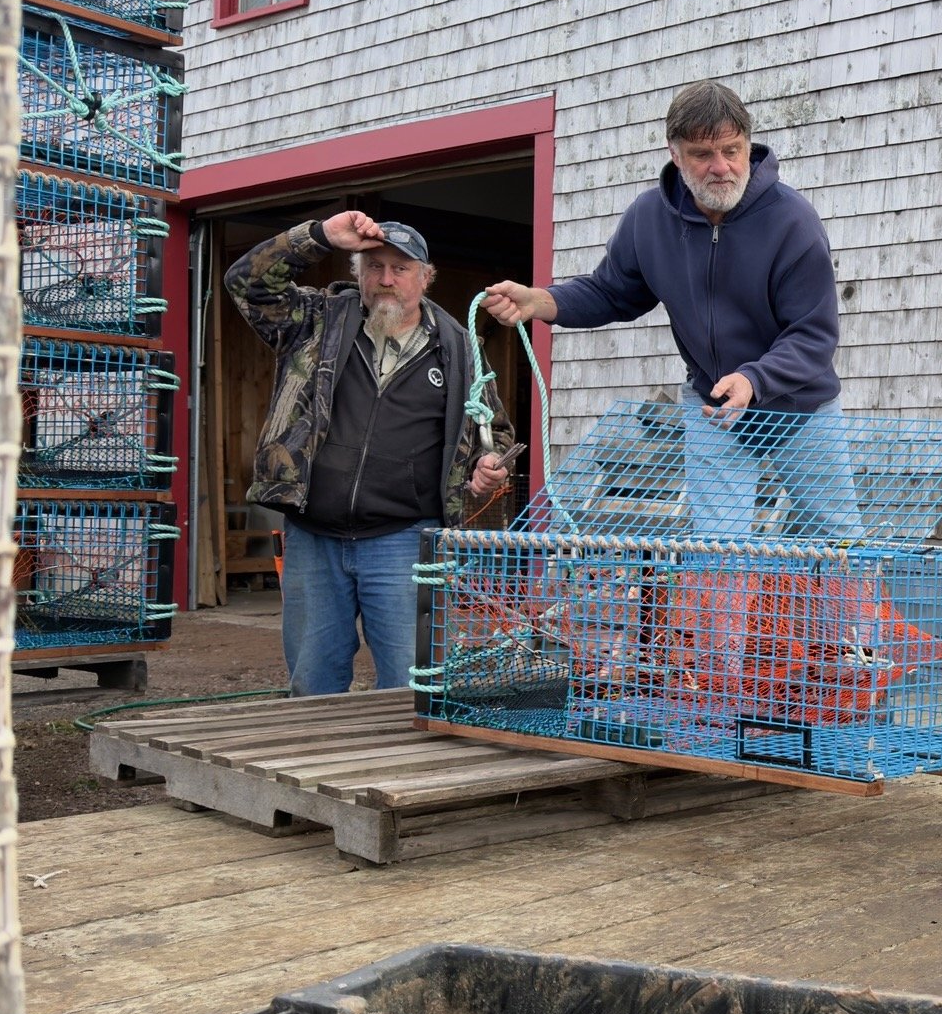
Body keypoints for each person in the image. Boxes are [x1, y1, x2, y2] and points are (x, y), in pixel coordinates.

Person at [483, 80, 859, 539]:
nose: (721, 167)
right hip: (714, 407)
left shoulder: (793, 220)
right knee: (716, 551)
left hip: (801, 407)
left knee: (839, 545)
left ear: (747, 144)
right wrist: (543, 301)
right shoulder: (649, 218)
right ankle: (718, 591)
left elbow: (813, 335)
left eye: (732, 150)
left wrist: (753, 379)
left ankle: (846, 590)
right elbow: (611, 291)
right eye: (703, 154)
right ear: (675, 154)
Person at [228, 213, 513, 697]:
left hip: (404, 540)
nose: (386, 279)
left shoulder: (460, 350)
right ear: (357, 273)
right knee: (312, 686)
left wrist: (487, 466)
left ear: (426, 277)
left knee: (410, 688)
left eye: (401, 268)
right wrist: (319, 236)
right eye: (374, 266)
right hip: (314, 536)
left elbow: (494, 432)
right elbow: (246, 283)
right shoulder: (315, 322)